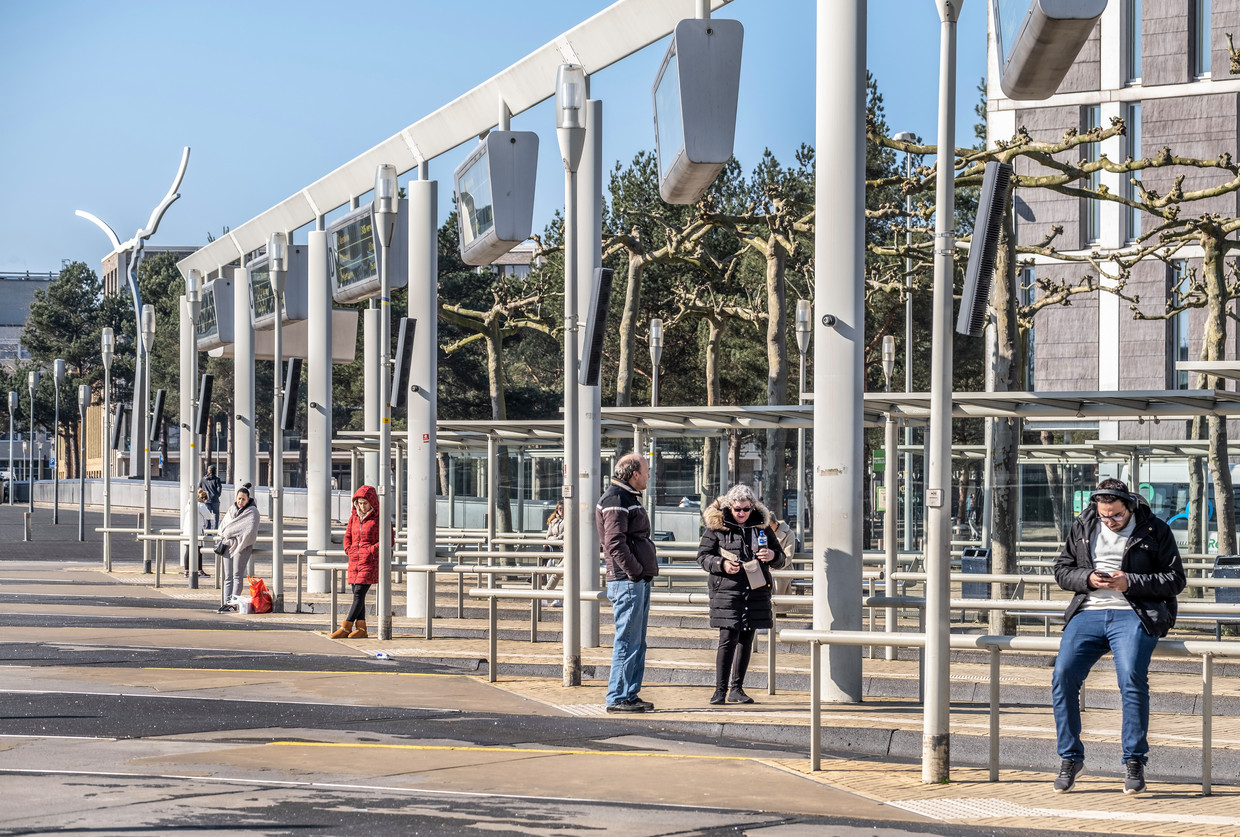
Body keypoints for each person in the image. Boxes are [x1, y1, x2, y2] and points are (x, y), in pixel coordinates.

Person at [1050, 478, 1185, 795]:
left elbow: (1175, 579)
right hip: (1088, 612)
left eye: (1116, 516)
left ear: (1130, 506)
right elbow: (1062, 570)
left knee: (1131, 678)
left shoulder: (1155, 529)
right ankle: (1070, 758)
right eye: (1104, 516)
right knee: (1062, 675)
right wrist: (1087, 577)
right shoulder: (1084, 525)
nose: (1110, 521)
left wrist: (1131, 582)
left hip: (1134, 613)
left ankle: (1134, 761)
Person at [697, 485, 786, 705]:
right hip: (727, 592)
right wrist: (722, 564)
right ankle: (720, 690)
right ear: (729, 507)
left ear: (752, 507)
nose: (742, 514)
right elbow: (702, 556)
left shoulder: (762, 527)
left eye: (746, 509)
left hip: (755, 591)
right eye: (737, 509)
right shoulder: (718, 527)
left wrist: (772, 555)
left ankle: (737, 689)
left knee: (746, 639)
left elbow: (781, 558)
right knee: (727, 639)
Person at [595, 453, 658, 713]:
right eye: (646, 471)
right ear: (634, 474)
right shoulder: (616, 499)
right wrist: (635, 572)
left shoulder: (626, 497)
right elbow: (614, 543)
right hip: (627, 581)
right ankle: (618, 697)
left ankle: (629, 694)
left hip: (635, 580)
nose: (648, 475)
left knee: (636, 641)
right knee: (627, 641)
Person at [332, 485, 383, 639]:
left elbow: (388, 541)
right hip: (354, 561)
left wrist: (370, 550)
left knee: (359, 593)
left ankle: (346, 626)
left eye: (365, 503)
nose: (362, 506)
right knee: (357, 594)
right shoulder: (353, 518)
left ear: (372, 502)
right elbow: (347, 536)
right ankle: (361, 629)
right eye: (360, 503)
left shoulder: (379, 519)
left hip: (369, 562)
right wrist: (349, 549)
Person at [215, 483, 260, 613]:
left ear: (248, 499)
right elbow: (224, 527)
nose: (240, 501)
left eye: (243, 499)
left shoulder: (252, 511)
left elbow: (249, 530)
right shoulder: (232, 509)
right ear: (236, 498)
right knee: (227, 576)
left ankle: (233, 604)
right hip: (228, 545)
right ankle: (226, 602)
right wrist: (230, 533)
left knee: (237, 575)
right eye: (239, 498)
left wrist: (230, 532)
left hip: (242, 546)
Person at [181, 488, 212, 578]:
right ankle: (199, 570)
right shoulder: (201, 505)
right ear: (204, 499)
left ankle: (186, 571)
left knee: (188, 550)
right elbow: (208, 516)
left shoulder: (189, 503)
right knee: (199, 551)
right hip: (197, 530)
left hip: (187, 530)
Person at [540, 500, 566, 604]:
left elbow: (564, 535)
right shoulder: (553, 521)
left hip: (565, 549)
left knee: (558, 574)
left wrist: (553, 539)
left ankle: (545, 597)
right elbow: (548, 536)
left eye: (564, 508)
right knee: (553, 572)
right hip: (556, 548)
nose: (562, 510)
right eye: (560, 508)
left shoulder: (571, 519)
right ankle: (547, 597)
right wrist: (553, 540)